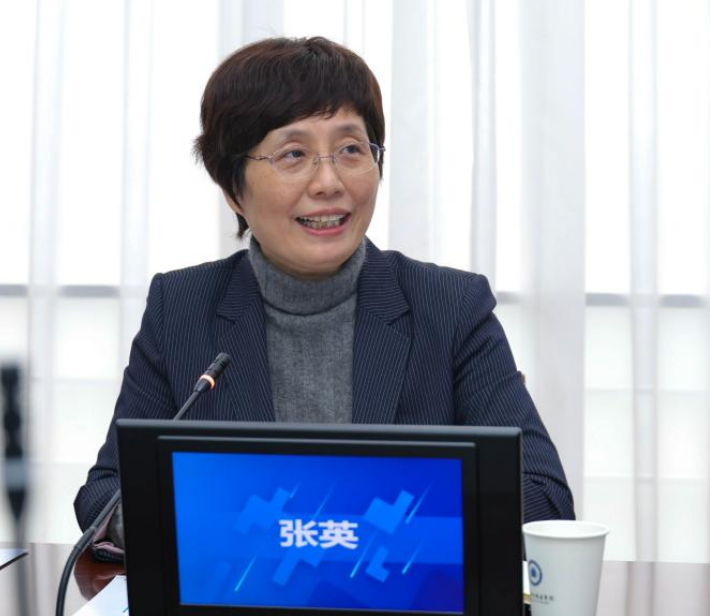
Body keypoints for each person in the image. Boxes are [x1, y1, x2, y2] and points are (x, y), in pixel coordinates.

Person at [74, 36, 574, 557]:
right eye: (293, 154)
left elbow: (543, 504)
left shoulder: (450, 307)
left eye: (351, 149)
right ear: (233, 190)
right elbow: (106, 498)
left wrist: (319, 527)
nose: (329, 182)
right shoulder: (181, 308)